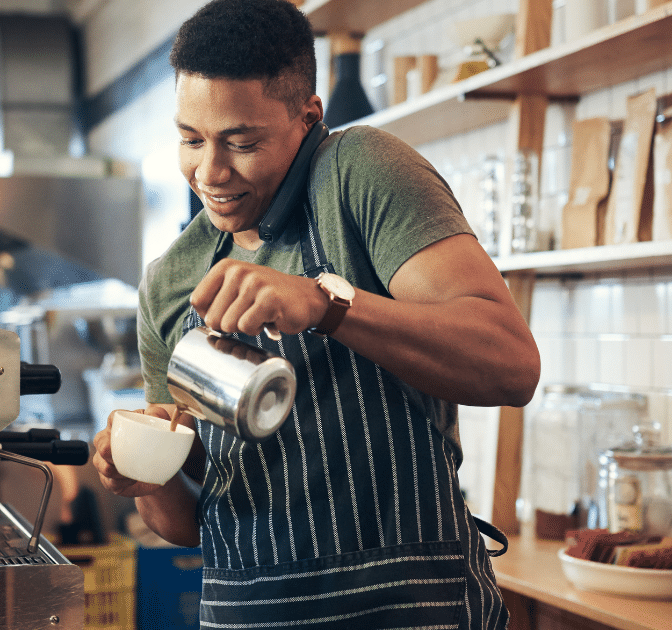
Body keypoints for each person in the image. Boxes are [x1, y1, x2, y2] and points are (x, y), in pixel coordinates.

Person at [90, 1, 541, 628]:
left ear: (309, 117)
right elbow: (185, 524)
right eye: (191, 140)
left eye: (242, 142)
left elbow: (511, 365)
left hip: (410, 610)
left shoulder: (359, 173)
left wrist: (329, 305)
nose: (211, 172)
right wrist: (141, 473)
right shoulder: (170, 281)